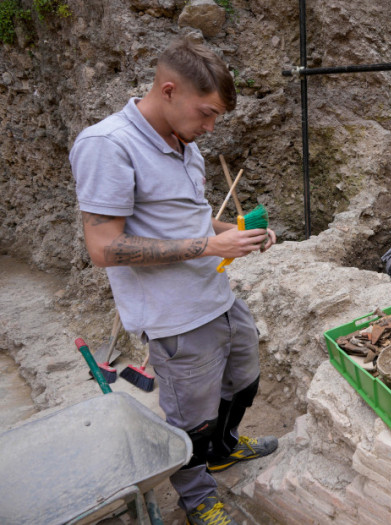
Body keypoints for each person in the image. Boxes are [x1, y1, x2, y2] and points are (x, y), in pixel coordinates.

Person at [69, 36, 276, 525]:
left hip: (216, 296)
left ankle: (223, 449)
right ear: (167, 90)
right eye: (205, 113)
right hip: (174, 317)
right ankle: (198, 497)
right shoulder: (107, 145)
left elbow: (190, 224)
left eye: (215, 118)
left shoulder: (185, 144)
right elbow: (103, 249)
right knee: (191, 419)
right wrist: (211, 246)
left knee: (244, 381)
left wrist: (236, 233)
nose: (209, 126)